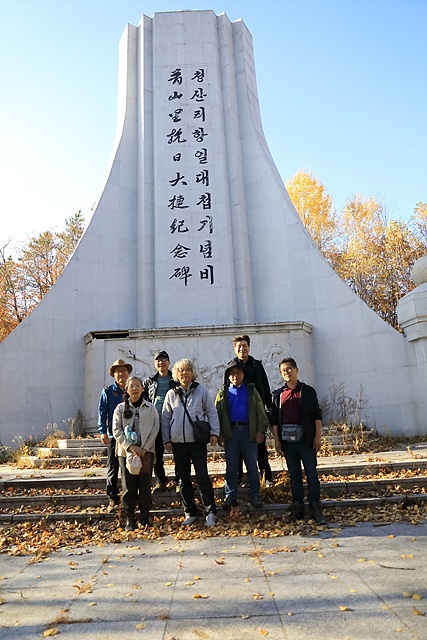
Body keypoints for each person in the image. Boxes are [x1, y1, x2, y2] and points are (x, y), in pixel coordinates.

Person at [162, 358, 220, 527]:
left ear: (192, 373)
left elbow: (211, 412)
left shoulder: (201, 390)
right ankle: (190, 511)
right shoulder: (171, 394)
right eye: (180, 370)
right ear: (176, 374)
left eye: (187, 370)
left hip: (197, 442)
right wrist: (166, 439)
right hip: (178, 443)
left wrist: (214, 433)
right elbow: (165, 419)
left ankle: (210, 512)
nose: (184, 373)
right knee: (183, 479)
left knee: (202, 477)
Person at [271, 357, 326, 524]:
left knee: (311, 475)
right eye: (283, 371)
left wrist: (318, 436)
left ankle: (315, 508)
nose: (286, 372)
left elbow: (317, 415)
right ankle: (297, 508)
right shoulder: (278, 395)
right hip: (288, 443)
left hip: (306, 440)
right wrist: (276, 440)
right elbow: (274, 420)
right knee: (294, 476)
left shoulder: (308, 391)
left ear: (296, 370)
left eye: (289, 369)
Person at [215, 361, 269, 510]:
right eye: (232, 374)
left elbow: (260, 411)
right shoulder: (223, 393)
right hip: (230, 433)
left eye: (238, 373)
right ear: (228, 376)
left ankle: (255, 494)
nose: (235, 376)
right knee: (231, 466)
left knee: (252, 465)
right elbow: (217, 413)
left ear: (243, 375)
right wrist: (219, 433)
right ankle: (230, 495)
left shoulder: (251, 391)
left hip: (248, 431)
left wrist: (260, 430)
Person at [112, 376, 159, 531]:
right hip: (126, 453)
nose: (135, 388)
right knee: (128, 487)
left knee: (144, 487)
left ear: (143, 388)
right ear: (127, 389)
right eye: (131, 386)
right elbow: (116, 430)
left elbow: (155, 428)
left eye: (138, 385)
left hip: (146, 452)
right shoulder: (120, 409)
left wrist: (144, 448)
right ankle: (130, 519)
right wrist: (130, 447)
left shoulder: (150, 408)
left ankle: (145, 517)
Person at [225, 334, 273, 484]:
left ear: (249, 347)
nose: (242, 349)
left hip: (255, 411)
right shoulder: (231, 366)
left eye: (244, 346)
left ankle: (266, 477)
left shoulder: (257, 365)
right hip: (238, 413)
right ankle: (239, 478)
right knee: (237, 450)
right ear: (235, 349)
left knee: (260, 447)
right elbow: (226, 390)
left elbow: (265, 386)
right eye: (239, 346)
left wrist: (269, 406)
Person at [98, 358, 133, 511]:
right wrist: (102, 431)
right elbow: (102, 411)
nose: (121, 374)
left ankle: (131, 496)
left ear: (127, 373)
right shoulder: (107, 391)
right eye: (118, 371)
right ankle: (112, 498)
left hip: (131, 436)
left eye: (123, 370)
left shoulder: (133, 389)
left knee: (131, 466)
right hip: (114, 435)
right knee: (113, 467)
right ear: (114, 374)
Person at [143, 350, 174, 492]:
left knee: (178, 453)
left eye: (164, 360)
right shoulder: (149, 381)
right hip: (155, 422)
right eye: (158, 360)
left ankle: (180, 481)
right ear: (155, 364)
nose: (161, 363)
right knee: (157, 455)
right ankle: (161, 481)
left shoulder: (176, 379)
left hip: (173, 421)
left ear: (168, 362)